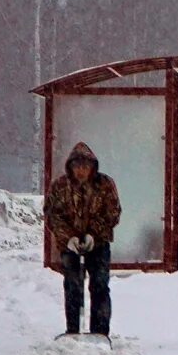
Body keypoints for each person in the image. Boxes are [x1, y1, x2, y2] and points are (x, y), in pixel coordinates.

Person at [44, 142, 122, 336]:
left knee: (100, 286)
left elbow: (112, 213)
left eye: (85, 166)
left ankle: (100, 331)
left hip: (99, 244)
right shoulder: (60, 186)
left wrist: (93, 234)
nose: (81, 171)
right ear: (70, 167)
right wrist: (68, 237)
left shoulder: (105, 184)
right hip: (69, 246)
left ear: (92, 167)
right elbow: (52, 215)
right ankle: (73, 330)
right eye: (77, 166)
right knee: (72, 287)